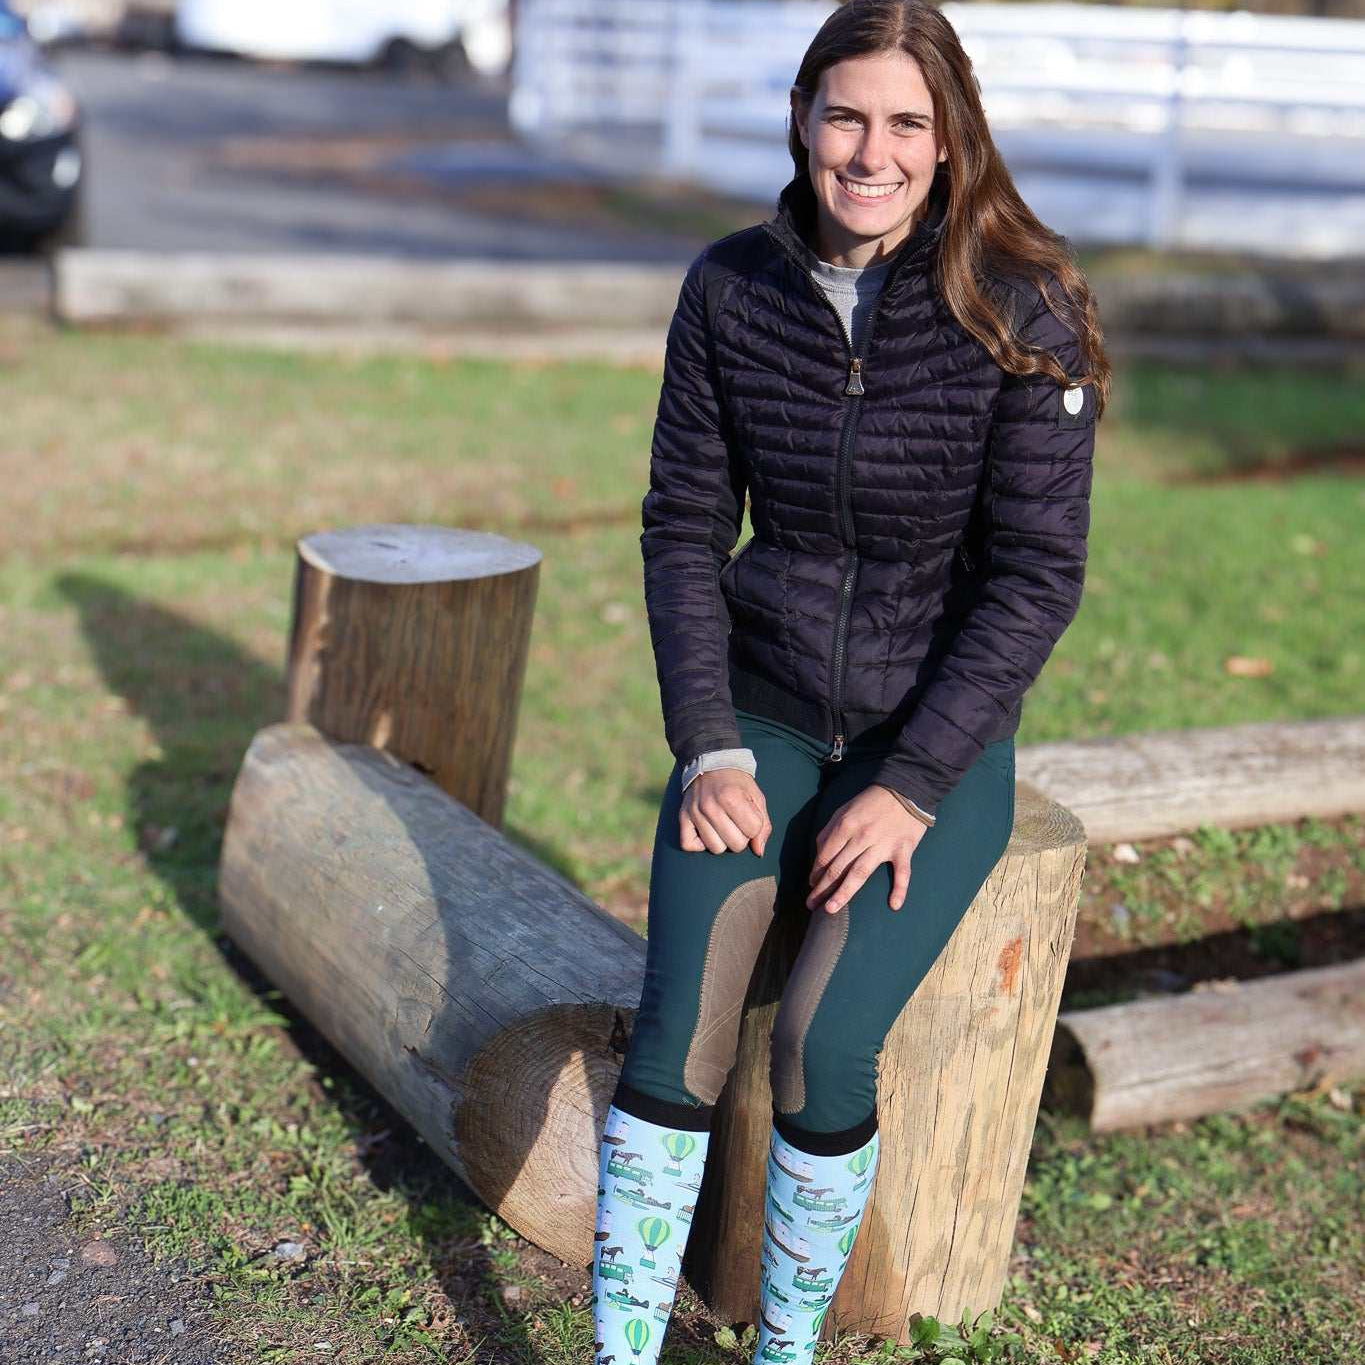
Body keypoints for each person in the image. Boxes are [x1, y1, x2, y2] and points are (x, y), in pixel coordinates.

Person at [590, 3, 1110, 1363]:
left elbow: (1032, 580)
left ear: (948, 145)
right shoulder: (729, 288)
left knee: (817, 1048)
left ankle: (784, 1347)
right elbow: (683, 528)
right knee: (676, 1040)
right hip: (756, 711)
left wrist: (913, 785)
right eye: (843, 116)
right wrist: (706, 743)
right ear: (802, 121)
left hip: (925, 735)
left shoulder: (1021, 306)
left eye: (902, 125)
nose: (867, 150)